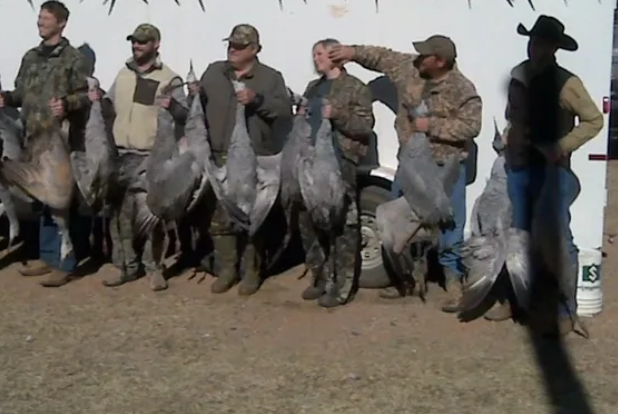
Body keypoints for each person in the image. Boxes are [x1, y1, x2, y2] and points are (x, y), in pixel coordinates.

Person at [328, 35, 482, 312]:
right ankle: (407, 280)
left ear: (440, 61)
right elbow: (381, 57)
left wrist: (431, 126)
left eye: (426, 55)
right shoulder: (409, 68)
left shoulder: (462, 89)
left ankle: (453, 282)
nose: (419, 58)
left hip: (444, 168)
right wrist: (352, 52)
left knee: (450, 226)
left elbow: (472, 126)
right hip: (410, 165)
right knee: (398, 223)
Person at [491, 15, 603, 336]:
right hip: (520, 168)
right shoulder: (518, 75)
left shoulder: (566, 83)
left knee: (558, 240)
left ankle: (566, 309)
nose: (534, 47)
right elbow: (513, 116)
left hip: (552, 172)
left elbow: (594, 120)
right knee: (516, 236)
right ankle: (516, 299)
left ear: (554, 48)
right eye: (532, 41)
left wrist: (562, 146)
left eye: (541, 42)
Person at [189, 24, 292, 296]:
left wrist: (256, 99)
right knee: (219, 218)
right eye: (230, 44)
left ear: (255, 49)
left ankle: (251, 271)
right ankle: (228, 269)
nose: (232, 50)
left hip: (252, 159)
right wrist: (194, 93)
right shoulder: (214, 71)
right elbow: (199, 107)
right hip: (219, 156)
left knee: (252, 218)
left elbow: (283, 112)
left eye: (239, 46)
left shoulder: (270, 78)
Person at [0, 0, 91, 288]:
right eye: (39, 18)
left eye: (46, 19)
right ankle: (48, 256)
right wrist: (7, 98)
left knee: (61, 201)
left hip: (60, 141)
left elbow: (85, 96)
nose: (40, 22)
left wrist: (67, 104)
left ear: (61, 23)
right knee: (41, 199)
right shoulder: (31, 57)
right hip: (33, 138)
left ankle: (66, 262)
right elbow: (22, 93)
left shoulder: (73, 58)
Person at [95, 23, 189, 292]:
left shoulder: (170, 79)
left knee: (152, 217)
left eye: (142, 42)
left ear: (156, 44)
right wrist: (98, 99)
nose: (136, 45)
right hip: (121, 155)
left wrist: (173, 105)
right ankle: (125, 266)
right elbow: (109, 106)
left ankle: (153, 268)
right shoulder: (123, 74)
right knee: (120, 216)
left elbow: (186, 116)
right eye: (134, 41)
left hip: (151, 158)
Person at [298, 39, 374, 308]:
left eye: (320, 53)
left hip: (341, 163)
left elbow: (365, 126)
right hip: (311, 163)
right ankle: (320, 278)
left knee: (343, 224)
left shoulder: (355, 87)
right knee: (310, 221)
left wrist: (338, 114)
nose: (315, 58)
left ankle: (342, 287)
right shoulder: (313, 87)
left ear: (335, 56)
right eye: (314, 53)